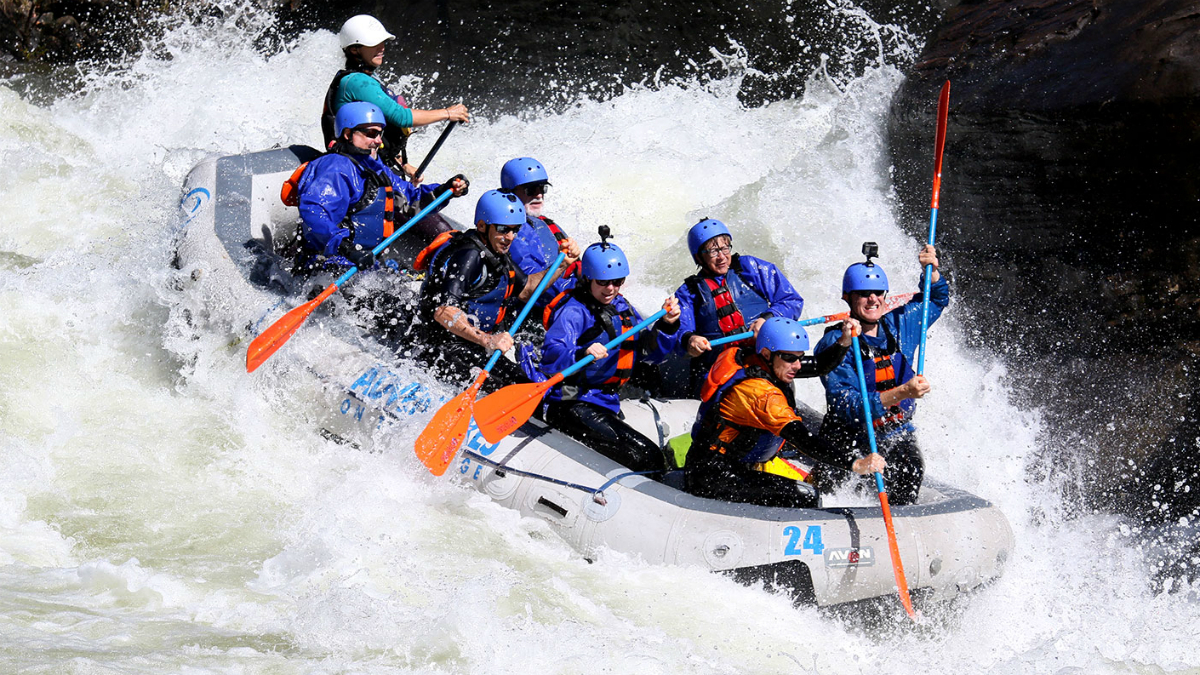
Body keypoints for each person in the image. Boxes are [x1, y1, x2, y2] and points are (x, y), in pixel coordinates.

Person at [684, 317, 884, 508]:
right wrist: (855, 463)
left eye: (799, 357)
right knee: (806, 496)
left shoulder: (743, 356)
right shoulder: (761, 395)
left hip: (716, 461)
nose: (797, 365)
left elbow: (819, 365)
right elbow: (803, 439)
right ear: (766, 354)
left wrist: (844, 341)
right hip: (713, 476)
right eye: (789, 358)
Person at [812, 243, 948, 506]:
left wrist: (931, 276)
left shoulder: (901, 323)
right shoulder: (835, 344)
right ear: (848, 298)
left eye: (877, 293)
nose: (872, 299)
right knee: (829, 489)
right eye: (863, 294)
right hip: (848, 435)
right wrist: (902, 393)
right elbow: (846, 405)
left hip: (894, 432)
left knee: (910, 468)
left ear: (886, 296)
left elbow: (935, 300)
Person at [540, 238, 682, 472]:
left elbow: (648, 352)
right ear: (588, 278)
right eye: (603, 282)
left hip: (605, 401)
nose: (611, 289)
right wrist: (581, 352)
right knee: (647, 456)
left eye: (617, 282)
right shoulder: (574, 310)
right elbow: (551, 354)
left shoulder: (621, 306)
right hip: (573, 402)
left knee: (647, 457)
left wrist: (666, 325)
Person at [295, 102, 467, 274]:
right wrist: (346, 248)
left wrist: (445, 191)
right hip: (331, 266)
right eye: (371, 133)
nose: (379, 141)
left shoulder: (374, 166)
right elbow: (314, 211)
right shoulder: (334, 168)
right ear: (348, 134)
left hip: (365, 266)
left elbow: (410, 199)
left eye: (380, 133)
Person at [413, 190, 551, 388]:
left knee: (522, 383)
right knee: (511, 386)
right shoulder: (469, 256)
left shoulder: (497, 253)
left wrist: (563, 266)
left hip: (470, 344)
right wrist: (488, 340)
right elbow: (443, 312)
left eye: (515, 230)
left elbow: (527, 289)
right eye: (503, 229)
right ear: (482, 226)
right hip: (442, 344)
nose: (510, 237)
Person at [322, 14, 470, 177]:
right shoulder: (356, 82)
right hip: (356, 169)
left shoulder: (366, 78)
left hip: (372, 163)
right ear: (354, 49)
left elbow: (376, 133)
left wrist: (403, 165)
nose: (382, 48)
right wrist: (448, 113)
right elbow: (401, 117)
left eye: (382, 42)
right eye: (374, 44)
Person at [674, 218, 805, 395]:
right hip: (721, 372)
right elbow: (680, 332)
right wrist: (690, 340)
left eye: (724, 248)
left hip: (764, 364)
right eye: (713, 251)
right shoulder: (688, 291)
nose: (722, 257)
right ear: (699, 256)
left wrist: (768, 319)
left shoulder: (750, 268)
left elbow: (791, 300)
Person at [499, 157, 582, 312]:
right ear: (510, 193)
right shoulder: (511, 234)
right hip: (535, 312)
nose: (538, 195)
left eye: (542, 189)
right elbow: (530, 287)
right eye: (530, 190)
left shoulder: (544, 223)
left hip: (568, 298)